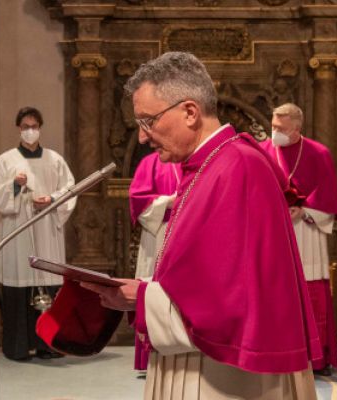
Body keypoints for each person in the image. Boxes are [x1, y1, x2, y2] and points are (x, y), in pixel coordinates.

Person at [81, 51, 320, 400]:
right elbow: (201, 273)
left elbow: (233, 298)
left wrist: (144, 298)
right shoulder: (210, 166)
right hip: (200, 360)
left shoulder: (238, 166)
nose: (144, 137)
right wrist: (145, 291)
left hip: (225, 376)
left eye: (148, 121)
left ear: (190, 112)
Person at [0, 106, 75, 361]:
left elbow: (69, 189)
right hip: (19, 230)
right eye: (25, 127)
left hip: (47, 229)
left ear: (40, 128)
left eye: (34, 126)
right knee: (20, 282)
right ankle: (18, 347)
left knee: (49, 281)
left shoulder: (54, 159)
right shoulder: (6, 160)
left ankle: (49, 346)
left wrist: (52, 199)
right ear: (18, 129)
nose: (30, 131)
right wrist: (14, 185)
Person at [258, 103, 337, 376]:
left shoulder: (319, 153)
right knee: (275, 289)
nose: (274, 133)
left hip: (306, 229)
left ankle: (315, 357)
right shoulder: (263, 151)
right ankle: (276, 352)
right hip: (274, 229)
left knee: (311, 290)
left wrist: (304, 210)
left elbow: (327, 192)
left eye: (280, 129)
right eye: (273, 126)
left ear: (296, 129)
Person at [127, 151, 180, 373]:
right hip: (159, 233)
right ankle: (150, 356)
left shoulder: (198, 160)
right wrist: (168, 202)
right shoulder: (151, 163)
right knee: (155, 288)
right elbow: (138, 200)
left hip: (189, 233)